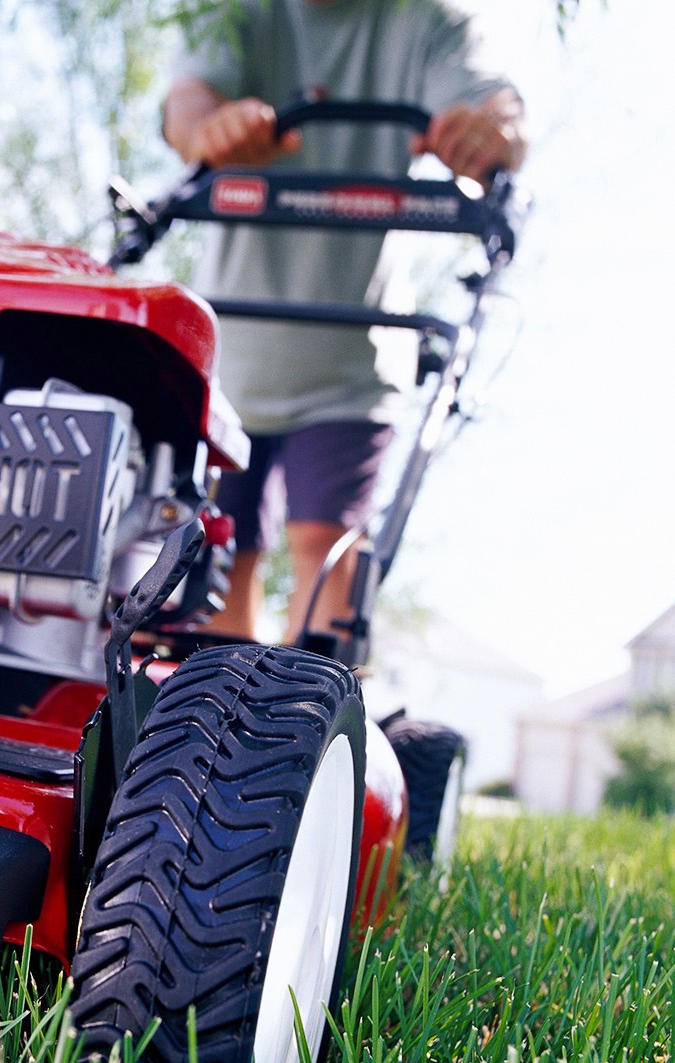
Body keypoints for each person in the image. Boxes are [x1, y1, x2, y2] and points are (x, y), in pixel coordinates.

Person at [162, 0, 527, 643]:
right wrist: (209, 128)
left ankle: (310, 721)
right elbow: (186, 103)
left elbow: (499, 114)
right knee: (214, 560)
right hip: (233, 351)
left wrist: (489, 132)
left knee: (327, 549)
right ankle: (205, 727)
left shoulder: (428, 20)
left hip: (355, 349)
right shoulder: (241, 12)